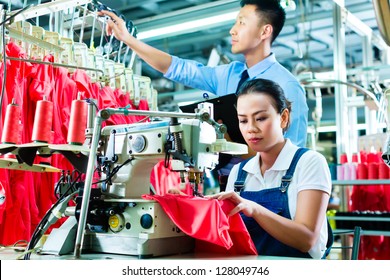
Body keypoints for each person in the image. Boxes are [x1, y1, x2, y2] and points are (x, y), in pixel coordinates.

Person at [100, 0, 308, 189]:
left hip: (268, 185)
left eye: (242, 23)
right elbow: (179, 68)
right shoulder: (229, 74)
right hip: (229, 183)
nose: (233, 30)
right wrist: (128, 39)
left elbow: (293, 151)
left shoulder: (287, 85)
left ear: (265, 32)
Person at [211, 78, 331, 259]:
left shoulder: (309, 162)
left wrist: (255, 209)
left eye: (260, 118)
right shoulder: (238, 173)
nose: (251, 128)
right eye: (243, 121)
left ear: (283, 118)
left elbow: (306, 239)